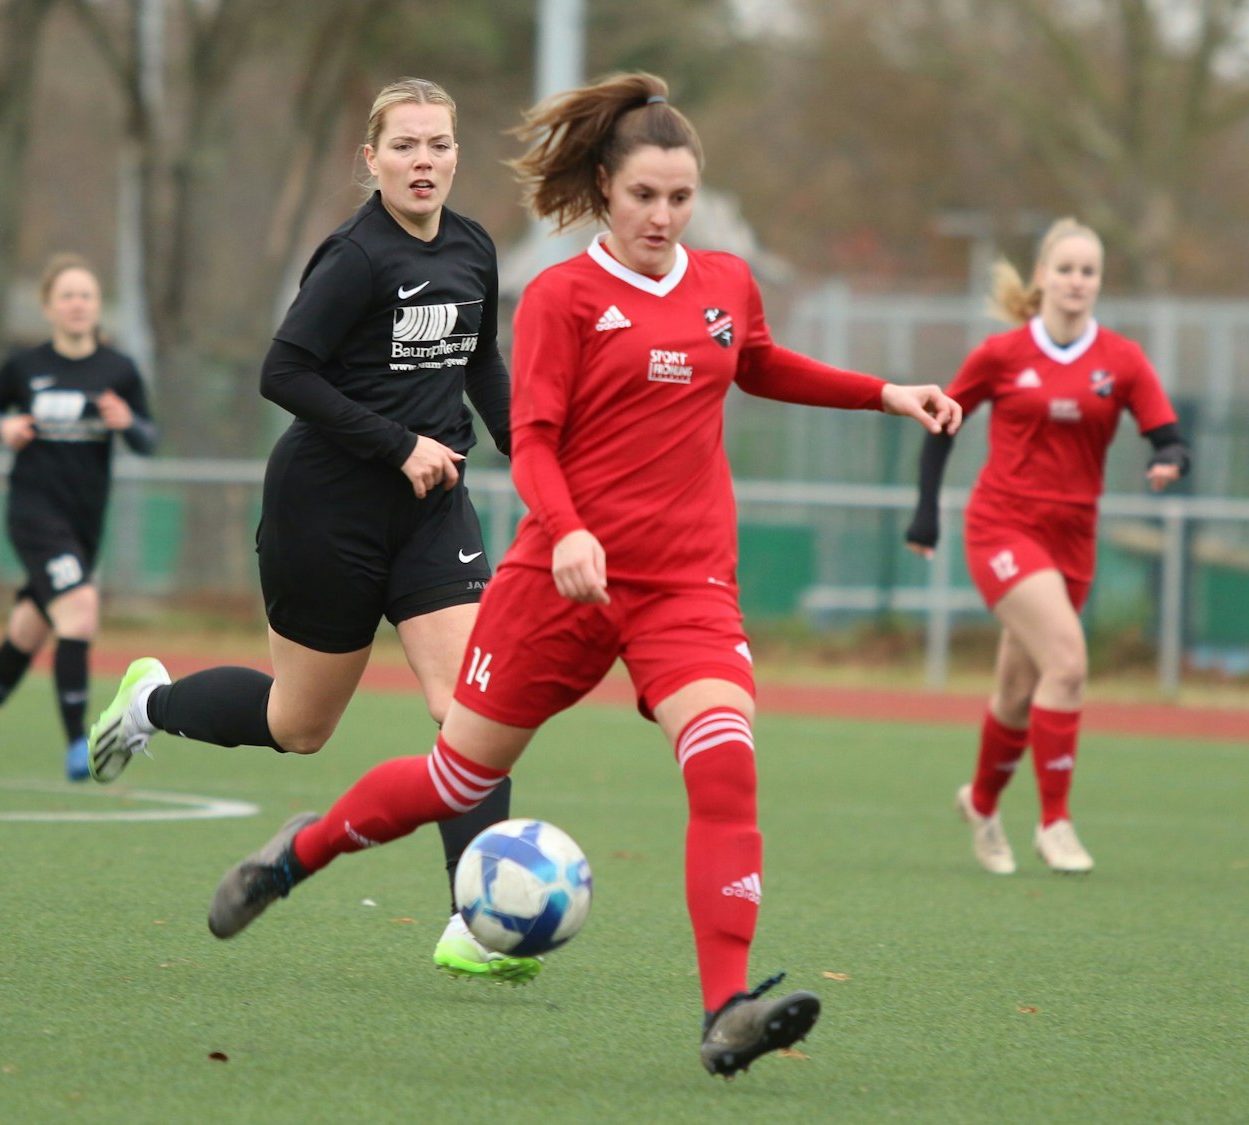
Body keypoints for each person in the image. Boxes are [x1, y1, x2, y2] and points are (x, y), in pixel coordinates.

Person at [195, 72, 962, 1077]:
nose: (662, 215)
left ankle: (725, 1009)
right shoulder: (562, 296)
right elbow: (534, 436)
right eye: (644, 195)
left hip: (684, 585)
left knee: (724, 761)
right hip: (557, 582)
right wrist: (561, 531)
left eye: (680, 198)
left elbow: (760, 363)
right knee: (452, 777)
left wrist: (885, 394)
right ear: (603, 187)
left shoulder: (726, 282)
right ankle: (297, 856)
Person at [82, 79, 539, 981]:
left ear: (456, 155)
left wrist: (531, 451)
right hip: (326, 509)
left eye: (439, 145)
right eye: (404, 146)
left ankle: (474, 923)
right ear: (369, 160)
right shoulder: (357, 257)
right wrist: (395, 439)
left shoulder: (475, 247)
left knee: (469, 706)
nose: (423, 162)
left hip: (432, 507)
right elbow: (283, 370)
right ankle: (149, 702)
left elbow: (479, 360)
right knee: (299, 725)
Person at [904, 218, 1189, 877]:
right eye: (1064, 268)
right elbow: (942, 423)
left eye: (1088, 271)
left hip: (1073, 539)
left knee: (1016, 687)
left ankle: (979, 802)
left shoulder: (1120, 359)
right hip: (1002, 526)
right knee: (1067, 662)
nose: (1076, 281)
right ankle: (1055, 822)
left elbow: (1167, 432)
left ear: (1099, 282)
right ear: (1041, 277)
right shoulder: (1002, 354)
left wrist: (1170, 459)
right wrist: (926, 512)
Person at [0, 254, 157, 785]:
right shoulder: (25, 366)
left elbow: (147, 441)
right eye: (67, 295)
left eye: (86, 294)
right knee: (81, 610)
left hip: (85, 520)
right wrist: (5, 428)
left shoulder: (119, 370)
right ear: (47, 307)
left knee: (30, 629)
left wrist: (127, 421)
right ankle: (75, 743)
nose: (78, 304)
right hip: (33, 511)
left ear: (96, 306)